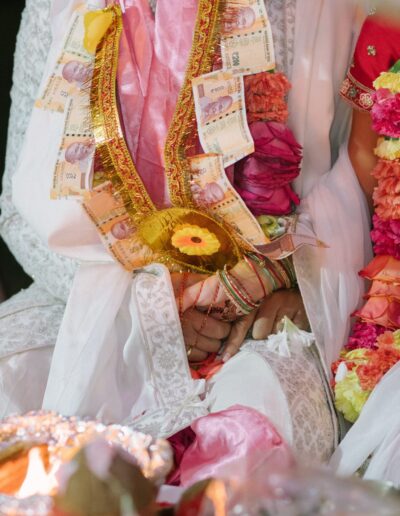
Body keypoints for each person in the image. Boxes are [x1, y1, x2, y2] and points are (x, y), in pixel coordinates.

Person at [0, 0, 371, 485]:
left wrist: (289, 280)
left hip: (257, 316)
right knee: (11, 381)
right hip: (90, 301)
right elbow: (19, 211)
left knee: (256, 432)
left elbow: (358, 173)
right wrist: (150, 306)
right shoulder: (58, 6)